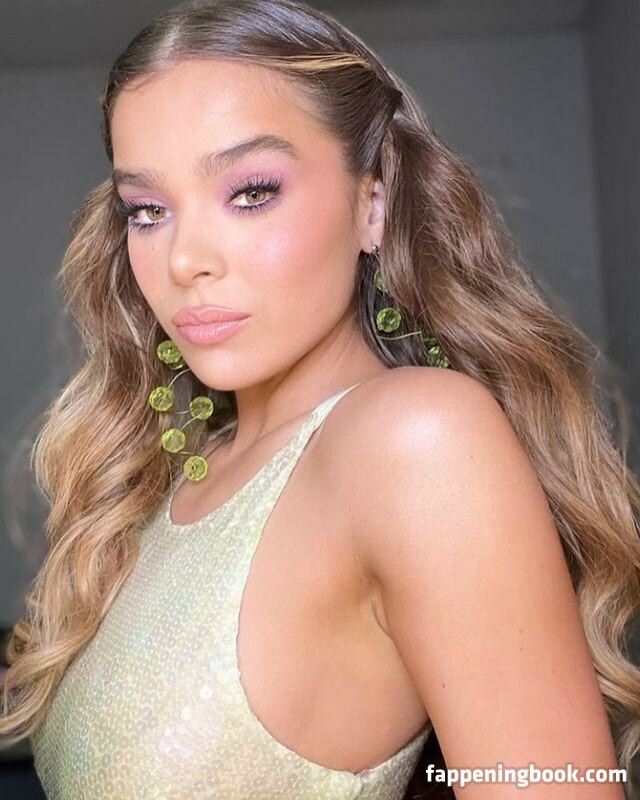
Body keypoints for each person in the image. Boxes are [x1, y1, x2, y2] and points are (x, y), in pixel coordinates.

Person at [1, 0, 639, 797]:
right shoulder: (178, 475)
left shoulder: (417, 440)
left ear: (372, 205)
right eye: (148, 211)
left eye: (251, 192)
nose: (185, 259)